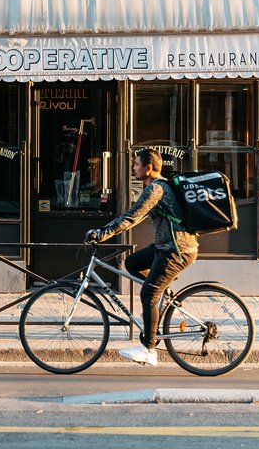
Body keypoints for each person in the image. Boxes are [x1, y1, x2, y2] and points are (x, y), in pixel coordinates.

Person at [86, 149, 197, 366]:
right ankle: (160, 287)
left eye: (136, 164)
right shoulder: (155, 186)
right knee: (132, 263)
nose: (134, 168)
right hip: (165, 247)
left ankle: (149, 349)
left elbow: (132, 216)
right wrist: (106, 230)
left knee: (148, 293)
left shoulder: (156, 188)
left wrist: (103, 234)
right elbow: (135, 216)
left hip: (177, 250)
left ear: (148, 167)